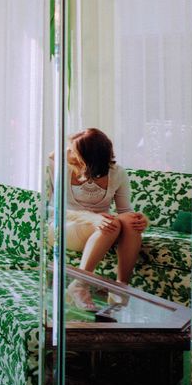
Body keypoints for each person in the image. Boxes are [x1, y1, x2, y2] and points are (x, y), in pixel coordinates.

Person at [62, 128, 147, 300]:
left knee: (130, 220)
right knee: (112, 224)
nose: (67, 152)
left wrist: (142, 220)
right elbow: (52, 210)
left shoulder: (117, 173)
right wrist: (91, 217)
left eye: (72, 150)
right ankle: (79, 285)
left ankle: (120, 287)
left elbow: (125, 211)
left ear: (87, 158)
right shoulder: (62, 169)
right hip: (65, 225)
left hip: (103, 227)